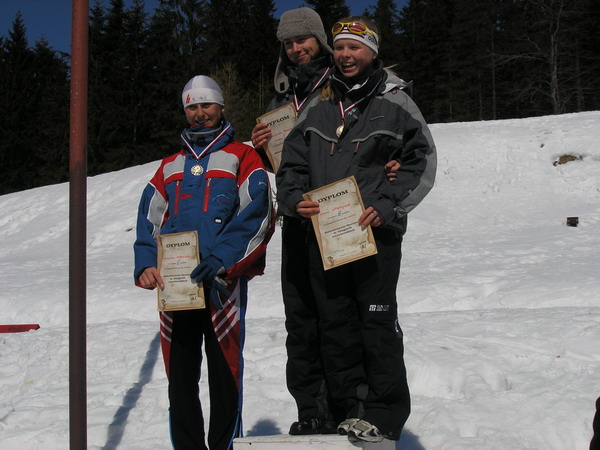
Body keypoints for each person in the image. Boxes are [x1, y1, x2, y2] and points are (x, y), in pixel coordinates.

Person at [276, 16, 437, 444]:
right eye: (341, 47)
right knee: (336, 326)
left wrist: (387, 205)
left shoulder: (396, 102)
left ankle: (383, 413)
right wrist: (293, 199)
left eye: (355, 47)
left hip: (375, 235)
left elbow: (421, 161)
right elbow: (291, 163)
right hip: (327, 238)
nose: (346, 55)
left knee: (375, 324)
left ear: (372, 52)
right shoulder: (320, 104)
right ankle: (347, 411)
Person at [251, 8, 401, 437]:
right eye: (288, 43)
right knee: (301, 320)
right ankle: (312, 410)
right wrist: (262, 151)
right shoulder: (281, 102)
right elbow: (287, 164)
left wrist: (389, 170)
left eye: (303, 40)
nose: (296, 49)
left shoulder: (339, 87)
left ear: (320, 41)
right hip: (299, 221)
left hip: (342, 221)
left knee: (343, 319)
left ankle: (352, 406)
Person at [133, 75, 273, 450]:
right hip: (176, 287)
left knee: (225, 372)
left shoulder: (242, 156)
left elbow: (257, 215)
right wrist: (146, 263)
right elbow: (148, 219)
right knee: (179, 376)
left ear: (220, 107)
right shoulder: (169, 166)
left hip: (222, 283)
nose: (199, 113)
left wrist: (223, 259)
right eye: (192, 107)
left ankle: (225, 446)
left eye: (206, 105)